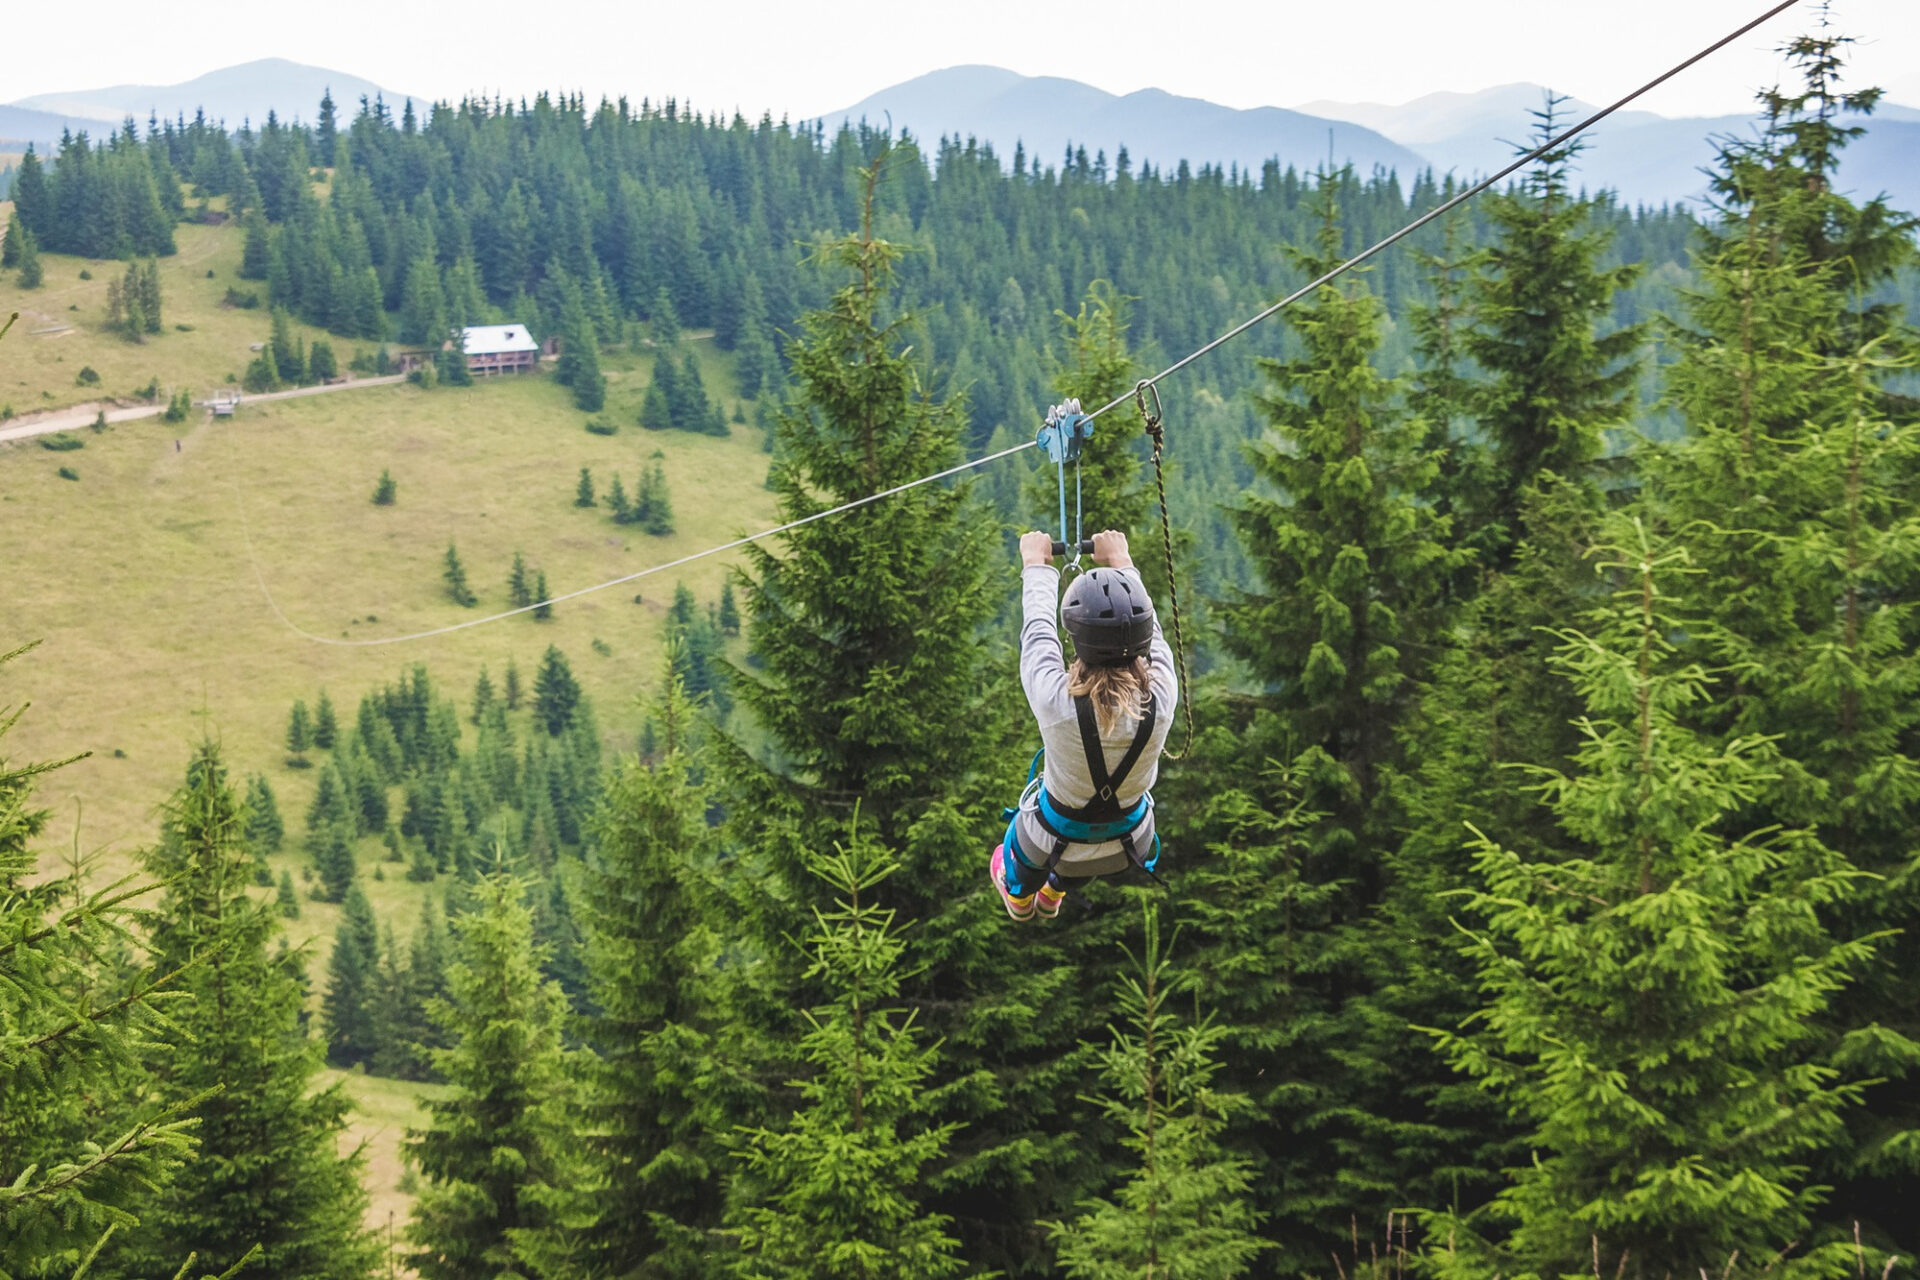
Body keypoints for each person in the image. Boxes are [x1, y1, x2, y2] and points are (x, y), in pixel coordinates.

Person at [990, 527, 1177, 921]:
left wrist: (1037, 565)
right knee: (1088, 846)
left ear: (1078, 639)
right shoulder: (1161, 696)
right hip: (1129, 839)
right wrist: (1122, 562)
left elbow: (1038, 632)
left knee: (1025, 848)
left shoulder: (1058, 702)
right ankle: (1056, 889)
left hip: (1050, 837)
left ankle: (1021, 898)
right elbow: (1155, 634)